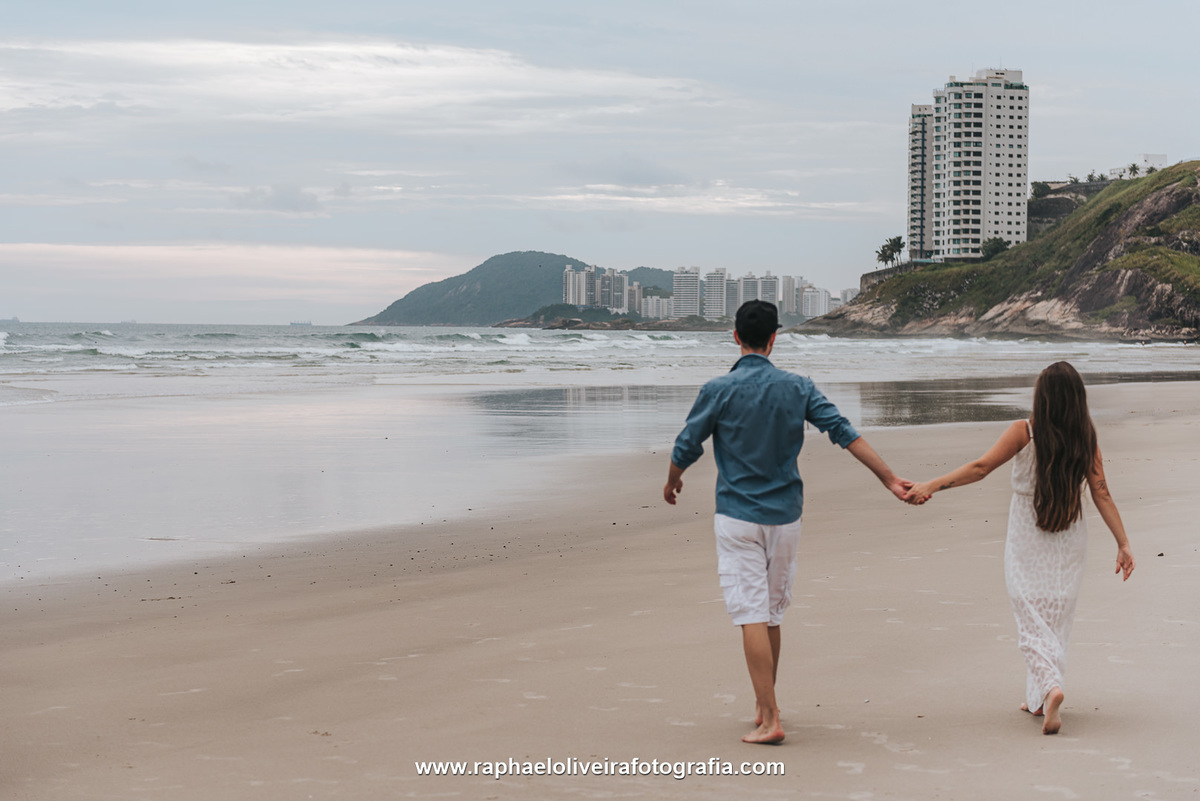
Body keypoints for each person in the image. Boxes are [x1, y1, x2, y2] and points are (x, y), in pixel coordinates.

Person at [663, 300, 911, 744]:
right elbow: (844, 432)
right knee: (771, 615)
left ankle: (772, 716)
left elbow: (687, 445)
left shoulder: (718, 389)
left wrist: (672, 482)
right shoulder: (798, 387)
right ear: (774, 338)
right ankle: (764, 706)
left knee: (751, 615)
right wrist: (889, 478)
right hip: (785, 517)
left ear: (735, 337)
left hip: (737, 516)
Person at [906, 361, 1135, 735]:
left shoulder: (1024, 432)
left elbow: (980, 468)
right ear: (1078, 400)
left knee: (1029, 617)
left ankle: (1051, 687)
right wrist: (1123, 543)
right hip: (1071, 538)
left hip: (1028, 535)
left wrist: (931, 484)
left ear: (1042, 398)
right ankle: (1040, 698)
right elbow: (1101, 491)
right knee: (1055, 618)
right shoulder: (1086, 438)